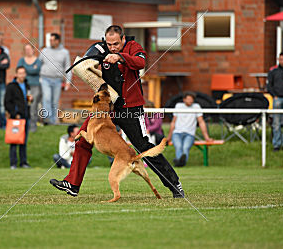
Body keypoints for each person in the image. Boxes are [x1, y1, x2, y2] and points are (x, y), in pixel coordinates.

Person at [50, 25, 185, 198]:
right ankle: (72, 183)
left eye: (115, 44)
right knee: (83, 139)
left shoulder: (133, 47)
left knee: (143, 146)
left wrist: (119, 56)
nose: (112, 47)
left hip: (131, 108)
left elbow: (141, 62)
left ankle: (174, 184)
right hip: (107, 108)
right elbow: (87, 64)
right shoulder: (101, 49)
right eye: (109, 44)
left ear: (123, 39)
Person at [167, 91, 213, 167]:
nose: (190, 101)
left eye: (192, 99)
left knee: (186, 147)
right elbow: (173, 122)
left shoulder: (196, 107)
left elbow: (201, 122)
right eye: (188, 99)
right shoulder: (178, 106)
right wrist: (169, 137)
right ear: (184, 99)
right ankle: (180, 162)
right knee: (178, 146)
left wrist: (206, 137)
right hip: (177, 133)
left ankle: (179, 162)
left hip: (189, 134)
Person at [39, 33, 71, 125]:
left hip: (57, 80)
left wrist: (68, 81)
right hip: (45, 79)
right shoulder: (44, 51)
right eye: (50, 40)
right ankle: (46, 119)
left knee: (55, 101)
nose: (51, 42)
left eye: (52, 40)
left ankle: (53, 121)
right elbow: (39, 63)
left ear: (58, 41)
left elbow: (67, 67)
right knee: (47, 98)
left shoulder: (65, 52)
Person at [4, 66, 32, 169]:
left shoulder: (27, 84)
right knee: (14, 140)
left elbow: (27, 100)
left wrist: (31, 100)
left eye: (23, 73)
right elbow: (7, 102)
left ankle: (23, 162)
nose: (22, 75)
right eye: (20, 73)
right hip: (16, 117)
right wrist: (14, 113)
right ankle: (13, 163)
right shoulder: (11, 86)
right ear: (16, 74)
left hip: (25, 117)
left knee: (23, 140)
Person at [17, 44, 42, 132]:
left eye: (29, 49)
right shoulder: (21, 60)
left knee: (33, 106)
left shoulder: (37, 61)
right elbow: (19, 70)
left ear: (33, 50)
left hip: (35, 86)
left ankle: (33, 127)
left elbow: (37, 70)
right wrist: (31, 69)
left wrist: (26, 70)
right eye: (26, 49)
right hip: (25, 86)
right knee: (24, 105)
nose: (27, 51)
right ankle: (23, 127)